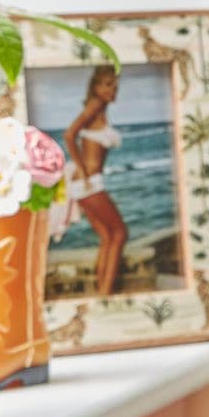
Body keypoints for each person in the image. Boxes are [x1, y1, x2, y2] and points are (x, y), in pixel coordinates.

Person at [63, 66, 128, 295]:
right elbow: (69, 134)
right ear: (96, 87)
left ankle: (102, 293)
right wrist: (81, 169)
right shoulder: (95, 105)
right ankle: (105, 294)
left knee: (107, 236)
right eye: (108, 84)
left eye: (115, 84)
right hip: (89, 183)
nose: (113, 89)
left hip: (86, 183)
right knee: (120, 234)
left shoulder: (100, 109)